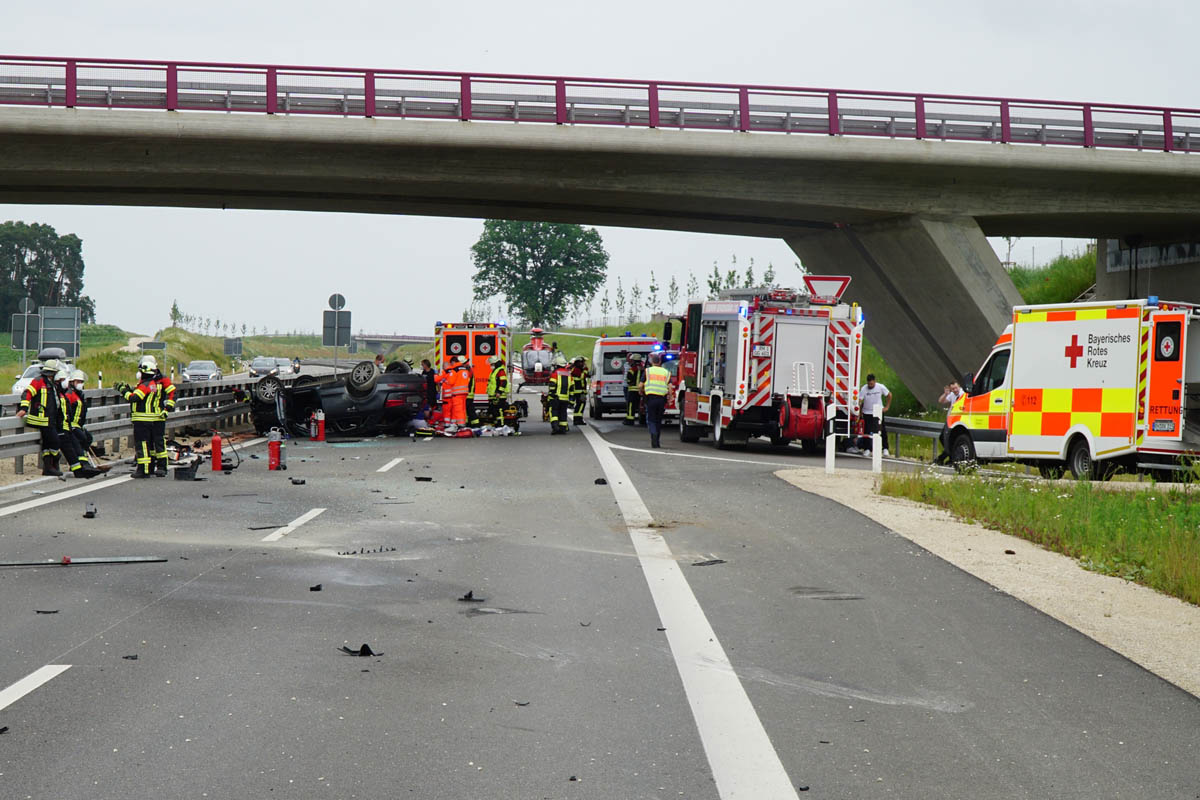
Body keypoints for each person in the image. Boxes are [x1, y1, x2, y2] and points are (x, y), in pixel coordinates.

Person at [18, 360, 98, 478]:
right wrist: (24, 408)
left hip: (50, 421)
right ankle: (51, 466)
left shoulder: (51, 384)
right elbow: (27, 393)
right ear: (52, 373)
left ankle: (51, 467)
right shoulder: (39, 381)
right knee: (55, 442)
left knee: (49, 444)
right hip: (41, 419)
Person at [115, 359, 161, 478]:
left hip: (142, 420)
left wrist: (123, 390)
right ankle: (149, 468)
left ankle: (143, 470)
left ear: (145, 372)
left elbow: (134, 398)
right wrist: (130, 389)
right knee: (149, 446)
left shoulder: (145, 385)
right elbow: (139, 395)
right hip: (149, 419)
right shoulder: (151, 384)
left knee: (142, 445)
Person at [855, 373, 892, 456]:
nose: (870, 385)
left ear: (874, 381)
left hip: (878, 412)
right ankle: (867, 449)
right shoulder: (864, 389)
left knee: (881, 430)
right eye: (869, 384)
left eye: (871, 384)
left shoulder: (880, 387)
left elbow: (889, 395)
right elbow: (860, 401)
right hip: (867, 412)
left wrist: (887, 407)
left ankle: (885, 448)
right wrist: (860, 413)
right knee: (867, 431)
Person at [641, 352, 671, 448]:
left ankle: (653, 435)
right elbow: (670, 387)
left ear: (651, 362)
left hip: (650, 398)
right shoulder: (666, 372)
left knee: (651, 419)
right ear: (660, 362)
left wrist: (641, 392)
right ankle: (657, 440)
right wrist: (670, 397)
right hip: (661, 399)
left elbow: (640, 385)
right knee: (658, 420)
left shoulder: (647, 371)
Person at [152, 360, 176, 477]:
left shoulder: (163, 379)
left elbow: (172, 392)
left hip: (159, 416)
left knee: (159, 442)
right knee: (148, 443)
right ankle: (149, 466)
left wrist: (167, 408)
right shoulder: (144, 380)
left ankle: (162, 466)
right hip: (145, 419)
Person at [933, 381, 965, 464]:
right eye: (953, 389)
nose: (955, 390)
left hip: (958, 420)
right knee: (942, 438)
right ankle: (950, 457)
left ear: (959, 387)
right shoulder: (952, 395)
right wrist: (946, 394)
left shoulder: (963, 394)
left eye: (956, 388)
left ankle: (945, 457)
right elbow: (941, 401)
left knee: (950, 440)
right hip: (950, 420)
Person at [546, 354, 571, 435]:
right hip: (565, 398)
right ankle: (563, 429)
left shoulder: (555, 373)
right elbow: (572, 387)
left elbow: (552, 385)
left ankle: (555, 427)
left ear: (557, 365)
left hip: (556, 397)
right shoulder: (569, 374)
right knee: (563, 413)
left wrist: (551, 394)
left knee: (554, 412)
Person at [623, 353, 645, 426]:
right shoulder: (643, 370)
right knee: (641, 405)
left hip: (632, 391)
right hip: (641, 391)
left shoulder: (631, 370)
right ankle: (642, 420)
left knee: (631, 405)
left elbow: (629, 381)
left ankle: (630, 420)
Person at [486, 355, 509, 423]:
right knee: (494, 411)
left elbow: (503, 382)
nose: (491, 365)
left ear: (495, 363)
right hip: (495, 396)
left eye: (492, 364)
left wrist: (499, 392)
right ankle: (497, 424)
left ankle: (501, 425)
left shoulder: (500, 371)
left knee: (499, 411)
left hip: (499, 396)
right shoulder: (495, 370)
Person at [569, 356, 588, 426]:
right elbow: (582, 376)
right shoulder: (576, 370)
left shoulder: (577, 369)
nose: (584, 364)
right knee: (580, 405)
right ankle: (578, 419)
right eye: (583, 362)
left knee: (580, 405)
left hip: (580, 391)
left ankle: (578, 419)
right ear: (579, 362)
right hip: (579, 391)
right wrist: (585, 370)